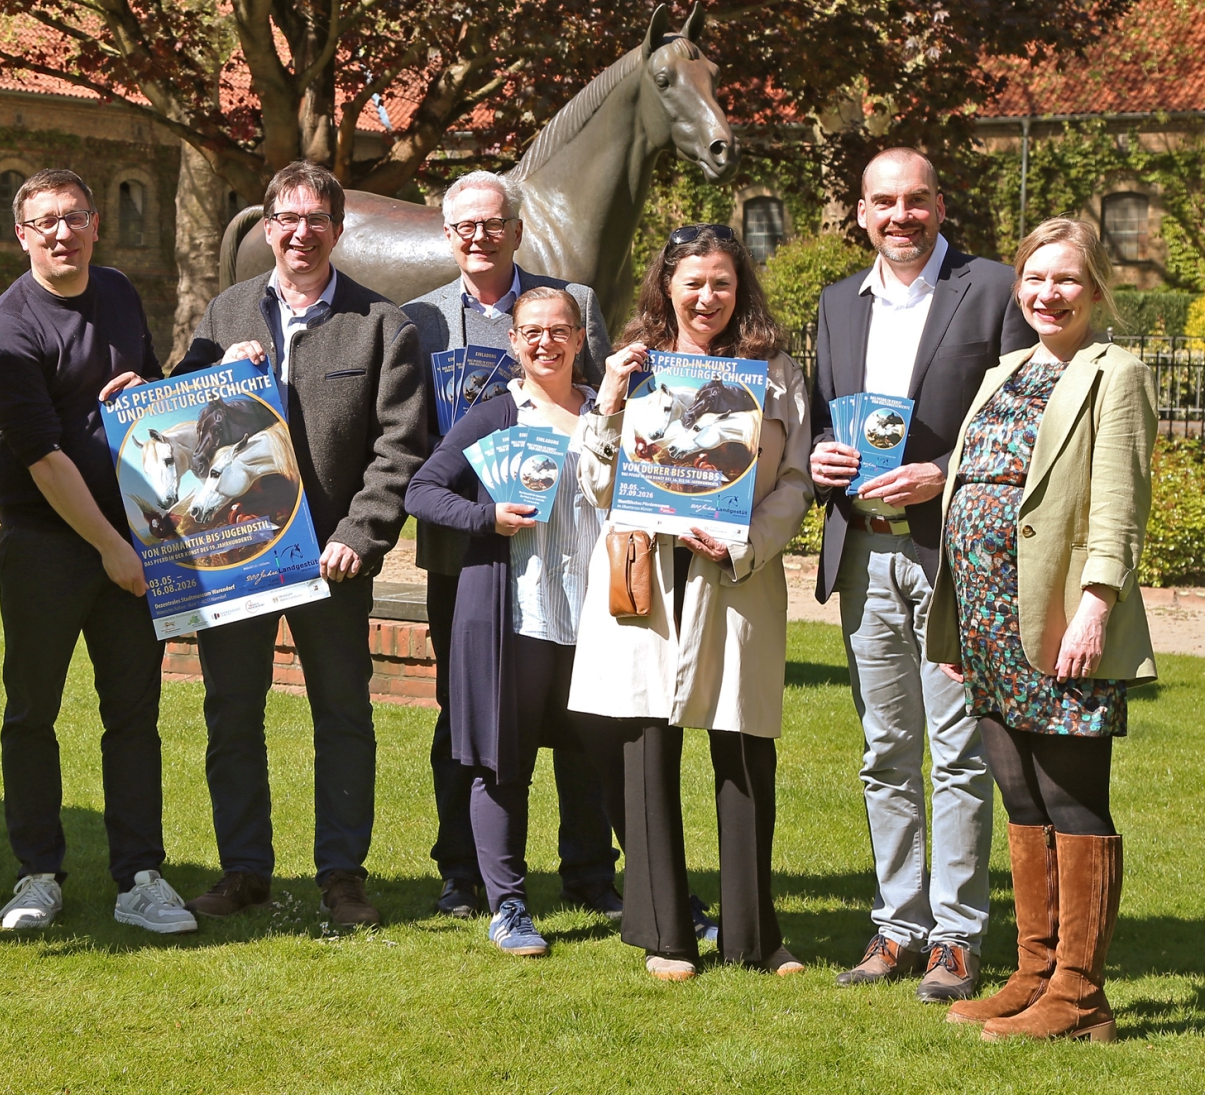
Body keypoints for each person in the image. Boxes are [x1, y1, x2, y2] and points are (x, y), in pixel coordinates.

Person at [173, 160, 427, 927]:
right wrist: (213, 370)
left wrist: (361, 534)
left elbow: (400, 446)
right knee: (232, 714)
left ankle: (343, 875)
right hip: (240, 557)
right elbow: (179, 426)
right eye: (286, 218)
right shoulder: (226, 311)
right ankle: (244, 869)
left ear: (338, 230)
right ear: (267, 226)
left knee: (343, 715)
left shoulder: (383, 323)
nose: (300, 233)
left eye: (316, 219)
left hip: (332, 560)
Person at [809, 147, 1034, 1002]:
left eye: (915, 200)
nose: (900, 216)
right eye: (883, 203)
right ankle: (896, 927)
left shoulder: (991, 288)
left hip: (950, 557)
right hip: (863, 549)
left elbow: (1023, 419)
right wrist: (824, 458)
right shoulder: (836, 304)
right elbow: (831, 415)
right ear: (861, 215)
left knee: (958, 752)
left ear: (940, 204)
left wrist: (944, 474)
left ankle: (959, 936)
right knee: (883, 749)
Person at [928, 218, 1156, 1041]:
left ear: (1094, 288)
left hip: (1060, 623)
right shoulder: (1005, 372)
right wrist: (957, 623)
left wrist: (1095, 605)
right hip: (988, 623)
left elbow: (1120, 505)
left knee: (1070, 798)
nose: (1046, 294)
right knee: (1019, 793)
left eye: (1065, 280)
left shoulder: (1115, 374)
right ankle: (1035, 972)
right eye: (1034, 278)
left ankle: (1083, 994)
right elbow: (969, 491)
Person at [573, 223, 812, 981]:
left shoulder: (775, 373)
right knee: (647, 749)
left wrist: (745, 543)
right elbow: (595, 484)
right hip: (647, 576)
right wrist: (608, 399)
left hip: (734, 580)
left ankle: (755, 934)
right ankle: (664, 933)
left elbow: (797, 482)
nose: (707, 297)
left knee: (743, 751)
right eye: (693, 282)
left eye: (722, 283)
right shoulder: (634, 368)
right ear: (666, 286)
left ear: (739, 288)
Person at [0, 168, 199, 936]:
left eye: (73, 217)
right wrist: (109, 549)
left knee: (133, 714)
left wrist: (149, 391)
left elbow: (152, 411)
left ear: (96, 223)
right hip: (48, 546)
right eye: (44, 223)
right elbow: (43, 457)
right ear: (22, 236)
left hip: (133, 541)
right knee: (32, 711)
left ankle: (140, 876)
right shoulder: (8, 327)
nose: (60, 232)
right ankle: (38, 876)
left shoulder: (120, 293)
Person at [402, 172, 619, 922]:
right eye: (464, 225)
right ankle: (466, 873)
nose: (479, 236)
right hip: (474, 568)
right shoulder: (420, 320)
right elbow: (414, 455)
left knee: (586, 729)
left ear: (516, 230)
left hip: (579, 570)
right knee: (470, 723)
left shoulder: (569, 304)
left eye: (493, 223)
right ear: (447, 233)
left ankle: (592, 871)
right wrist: (478, 513)